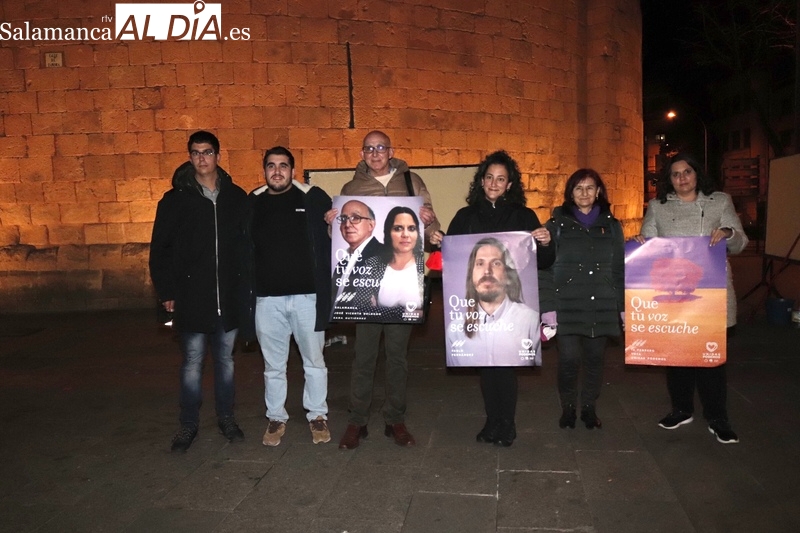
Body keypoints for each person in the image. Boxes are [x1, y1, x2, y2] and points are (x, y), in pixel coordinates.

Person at [324, 130, 440, 449]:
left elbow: (430, 232)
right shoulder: (351, 189)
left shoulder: (411, 181)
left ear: (391, 150)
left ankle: (395, 419)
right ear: (362, 153)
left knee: (397, 357)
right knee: (363, 355)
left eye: (380, 147)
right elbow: (341, 236)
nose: (375, 153)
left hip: (403, 283)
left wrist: (430, 223)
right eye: (369, 148)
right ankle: (357, 421)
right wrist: (330, 223)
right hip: (366, 284)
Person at [431, 150, 555, 447]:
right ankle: (492, 421)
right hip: (476, 307)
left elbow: (544, 261)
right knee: (486, 365)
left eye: (501, 179)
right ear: (481, 181)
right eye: (489, 178)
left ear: (510, 184)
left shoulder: (524, 217)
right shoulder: (465, 216)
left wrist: (547, 243)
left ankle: (507, 423)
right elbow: (450, 260)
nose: (495, 183)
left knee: (507, 366)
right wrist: (437, 242)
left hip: (510, 306)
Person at [635, 152, 748, 444]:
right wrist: (639, 243)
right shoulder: (657, 207)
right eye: (675, 174)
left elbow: (740, 242)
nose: (681, 178)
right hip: (674, 295)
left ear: (697, 174)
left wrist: (727, 233)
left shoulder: (719, 201)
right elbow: (648, 243)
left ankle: (717, 417)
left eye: (687, 172)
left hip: (711, 294)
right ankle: (681, 409)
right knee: (678, 358)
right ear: (668, 179)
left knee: (711, 360)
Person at [149, 131, 248, 453]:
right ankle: (188, 424)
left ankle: (227, 418)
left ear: (218, 155)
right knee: (192, 362)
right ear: (190, 157)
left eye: (207, 152)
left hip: (227, 296)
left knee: (226, 362)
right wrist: (166, 291)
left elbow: (246, 246)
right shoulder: (175, 200)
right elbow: (160, 249)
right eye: (196, 153)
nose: (202, 158)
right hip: (192, 296)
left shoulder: (236, 197)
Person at [248, 146, 333, 447]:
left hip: (307, 298)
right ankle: (276, 417)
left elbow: (336, 236)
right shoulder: (253, 203)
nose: (277, 171)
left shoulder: (313, 197)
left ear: (293, 171)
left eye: (283, 166)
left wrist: (336, 222)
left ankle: (317, 415)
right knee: (273, 365)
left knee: (314, 360)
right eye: (271, 166)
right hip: (266, 300)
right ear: (265, 170)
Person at [546, 169, 624, 430]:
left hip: (601, 302)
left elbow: (618, 268)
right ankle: (568, 407)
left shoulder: (612, 225)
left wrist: (622, 307)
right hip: (567, 303)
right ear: (570, 192)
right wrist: (548, 309)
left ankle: (589, 407)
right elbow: (544, 267)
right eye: (578, 188)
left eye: (590, 188)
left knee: (594, 359)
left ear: (598, 191)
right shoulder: (556, 224)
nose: (584, 193)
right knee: (568, 359)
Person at [446, 237, 540, 366]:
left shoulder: (531, 321)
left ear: (507, 272)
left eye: (496, 263)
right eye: (480, 263)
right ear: (471, 274)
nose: (487, 271)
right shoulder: (455, 331)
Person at [356, 206, 425, 322]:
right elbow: (361, 307)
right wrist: (404, 312)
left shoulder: (424, 264)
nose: (405, 234)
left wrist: (380, 309)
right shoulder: (373, 264)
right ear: (388, 232)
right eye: (398, 228)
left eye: (411, 228)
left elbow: (426, 312)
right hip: (371, 327)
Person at [331, 199, 381, 316]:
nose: (347, 224)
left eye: (355, 218)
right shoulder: (342, 263)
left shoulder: (385, 256)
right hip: (342, 326)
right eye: (343, 219)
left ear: (371, 225)